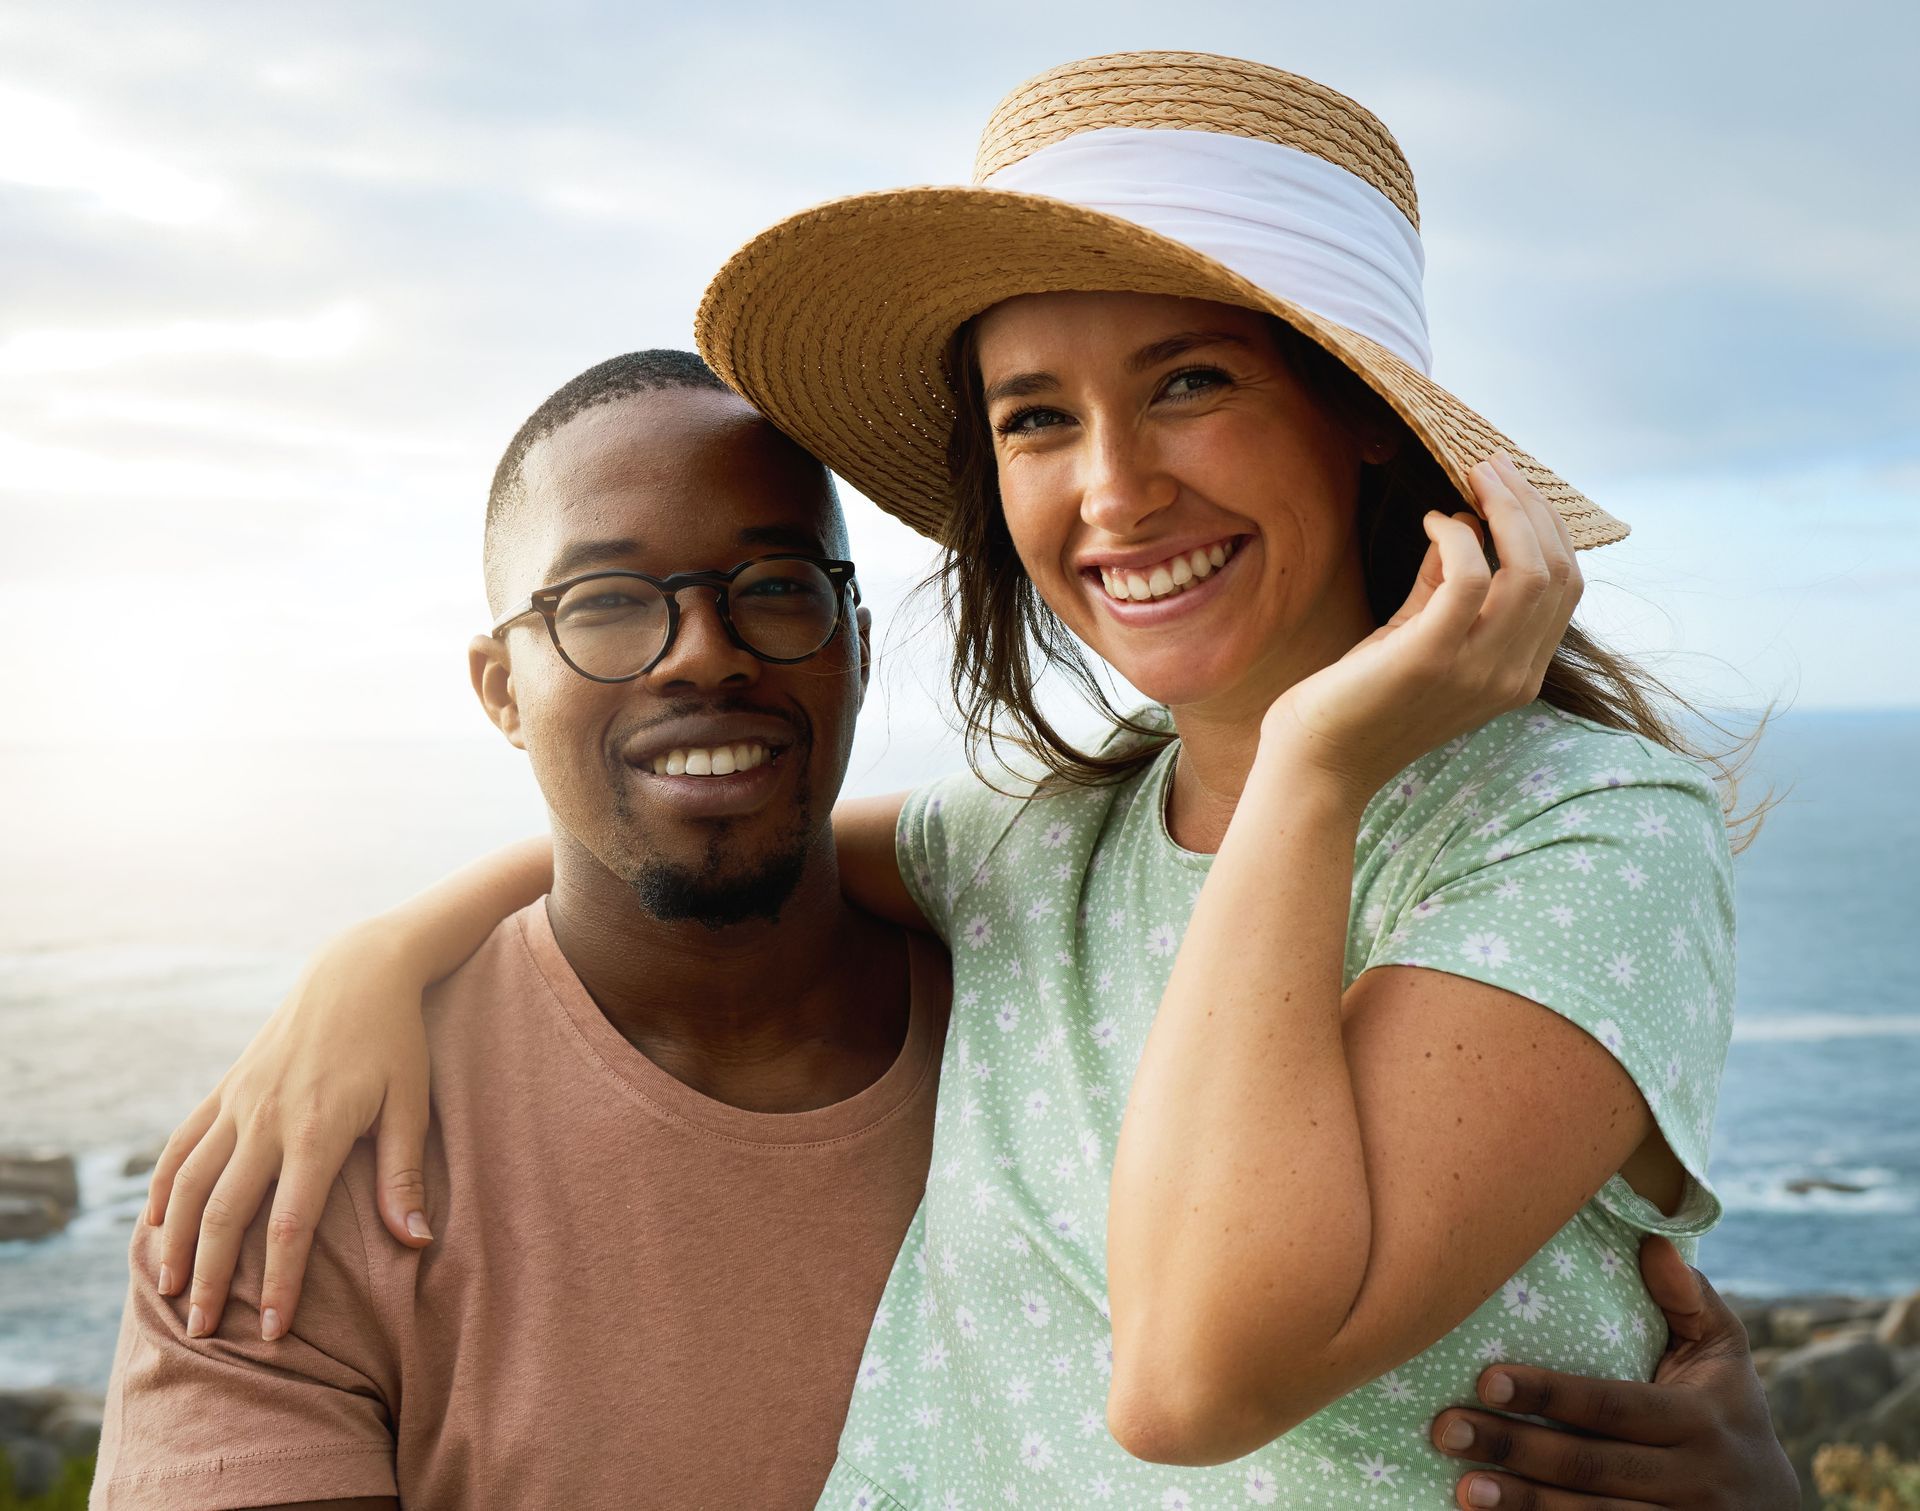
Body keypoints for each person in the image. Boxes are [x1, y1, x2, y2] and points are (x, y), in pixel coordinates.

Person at [139, 54, 1800, 1510]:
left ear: (1361, 414)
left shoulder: (1577, 831)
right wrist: (373, 961)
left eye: (1190, 382)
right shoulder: (1046, 845)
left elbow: (1188, 1383)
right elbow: (726, 845)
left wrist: (1308, 770)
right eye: (1034, 418)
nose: (1115, 487)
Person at [90, 351, 951, 1509]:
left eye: (776, 581)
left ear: (852, 632)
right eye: (603, 601)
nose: (705, 647)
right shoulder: (301, 1169)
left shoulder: (1064, 1009)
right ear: (501, 688)